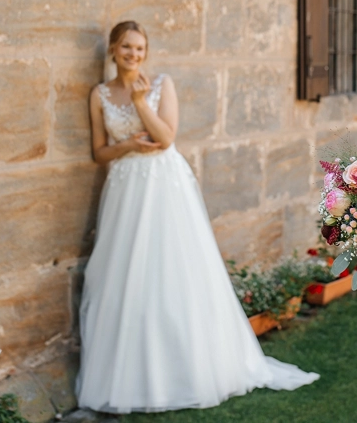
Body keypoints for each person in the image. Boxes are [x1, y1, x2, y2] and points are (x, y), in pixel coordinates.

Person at [75, 20, 318, 414]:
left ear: (146, 53)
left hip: (162, 186)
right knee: (121, 274)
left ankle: (187, 367)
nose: (133, 55)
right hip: (124, 187)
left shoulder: (160, 85)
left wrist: (140, 104)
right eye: (126, 48)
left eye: (139, 48)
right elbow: (98, 152)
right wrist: (125, 146)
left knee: (170, 271)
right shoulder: (99, 94)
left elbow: (167, 137)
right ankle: (128, 375)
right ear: (113, 51)